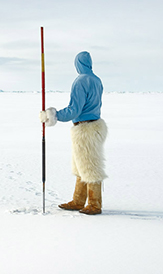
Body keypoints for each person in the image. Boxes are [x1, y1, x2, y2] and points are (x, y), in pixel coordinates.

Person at [39, 51, 108, 215]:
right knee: (81, 165)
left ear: (77, 64)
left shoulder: (80, 81)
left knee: (89, 167)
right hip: (95, 127)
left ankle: (94, 204)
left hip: (85, 130)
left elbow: (74, 110)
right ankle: (78, 200)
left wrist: (53, 115)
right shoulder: (97, 80)